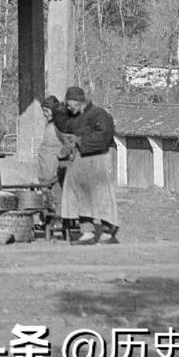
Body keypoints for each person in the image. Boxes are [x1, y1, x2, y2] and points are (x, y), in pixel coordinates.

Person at [54, 86, 119, 244]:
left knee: (101, 195)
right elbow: (63, 124)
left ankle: (107, 232)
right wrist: (58, 109)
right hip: (80, 159)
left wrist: (81, 141)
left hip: (98, 158)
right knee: (79, 194)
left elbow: (105, 134)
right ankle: (87, 232)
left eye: (70, 104)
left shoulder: (99, 114)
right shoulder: (74, 116)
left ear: (78, 101)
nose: (68, 107)